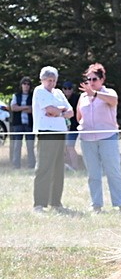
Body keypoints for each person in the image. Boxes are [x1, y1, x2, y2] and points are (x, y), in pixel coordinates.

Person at [77, 63, 121, 214]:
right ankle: (96, 205)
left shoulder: (109, 93)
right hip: (87, 139)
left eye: (94, 79)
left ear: (102, 79)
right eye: (88, 79)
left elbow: (113, 101)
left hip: (108, 137)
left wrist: (96, 94)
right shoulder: (83, 96)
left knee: (113, 171)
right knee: (93, 174)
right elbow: (79, 115)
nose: (91, 82)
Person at [32, 66, 73, 213]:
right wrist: (59, 111)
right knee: (44, 167)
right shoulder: (39, 91)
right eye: (49, 80)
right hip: (46, 133)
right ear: (42, 79)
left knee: (58, 168)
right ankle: (39, 204)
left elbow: (70, 112)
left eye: (54, 80)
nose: (52, 83)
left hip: (60, 132)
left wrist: (59, 113)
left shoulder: (59, 93)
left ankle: (56, 202)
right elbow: (50, 109)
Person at [9, 76, 36, 169]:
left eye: (28, 84)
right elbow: (13, 108)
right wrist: (25, 107)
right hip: (18, 124)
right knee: (17, 145)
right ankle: (16, 165)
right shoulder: (16, 96)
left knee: (30, 146)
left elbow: (33, 109)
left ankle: (31, 165)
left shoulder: (33, 96)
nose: (26, 86)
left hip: (29, 124)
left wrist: (20, 108)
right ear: (21, 85)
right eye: (24, 83)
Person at [62, 80, 82, 170]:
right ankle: (69, 166)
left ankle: (75, 167)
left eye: (69, 88)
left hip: (74, 127)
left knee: (70, 146)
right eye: (65, 88)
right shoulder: (60, 98)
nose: (67, 90)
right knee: (65, 148)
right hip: (63, 127)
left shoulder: (77, 98)